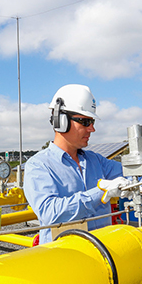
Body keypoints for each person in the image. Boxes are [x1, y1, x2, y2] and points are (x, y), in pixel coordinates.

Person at [23, 84, 132, 244]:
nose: (92, 129)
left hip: (103, 254)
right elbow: (50, 213)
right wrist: (100, 193)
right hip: (65, 258)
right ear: (61, 121)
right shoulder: (39, 165)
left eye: (92, 122)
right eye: (85, 122)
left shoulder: (96, 161)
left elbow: (133, 173)